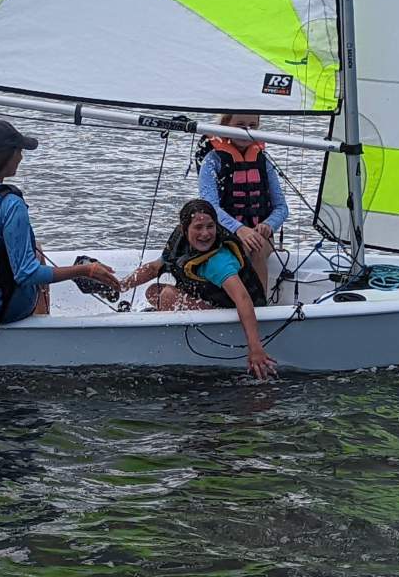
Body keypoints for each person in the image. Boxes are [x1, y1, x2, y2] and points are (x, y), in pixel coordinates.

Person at [0, 119, 120, 342]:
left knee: (32, 251)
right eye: (19, 151)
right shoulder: (10, 204)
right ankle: (40, 332)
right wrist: (84, 271)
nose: (21, 157)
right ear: (8, 156)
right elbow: (27, 274)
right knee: (36, 256)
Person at [117, 199, 278, 379]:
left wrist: (255, 348)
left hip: (231, 313)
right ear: (185, 230)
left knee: (168, 296)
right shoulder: (180, 240)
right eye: (198, 227)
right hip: (211, 301)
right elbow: (154, 268)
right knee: (153, 291)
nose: (205, 234)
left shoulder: (219, 261)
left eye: (210, 226)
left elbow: (243, 298)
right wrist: (119, 287)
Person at [196, 113, 289, 291]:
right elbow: (210, 207)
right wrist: (239, 229)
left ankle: (260, 305)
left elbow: (282, 208)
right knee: (238, 249)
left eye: (253, 125)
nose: (247, 130)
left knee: (255, 246)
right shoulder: (212, 161)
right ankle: (231, 302)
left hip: (260, 236)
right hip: (224, 233)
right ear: (225, 125)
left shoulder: (264, 162)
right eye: (240, 124)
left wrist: (268, 225)